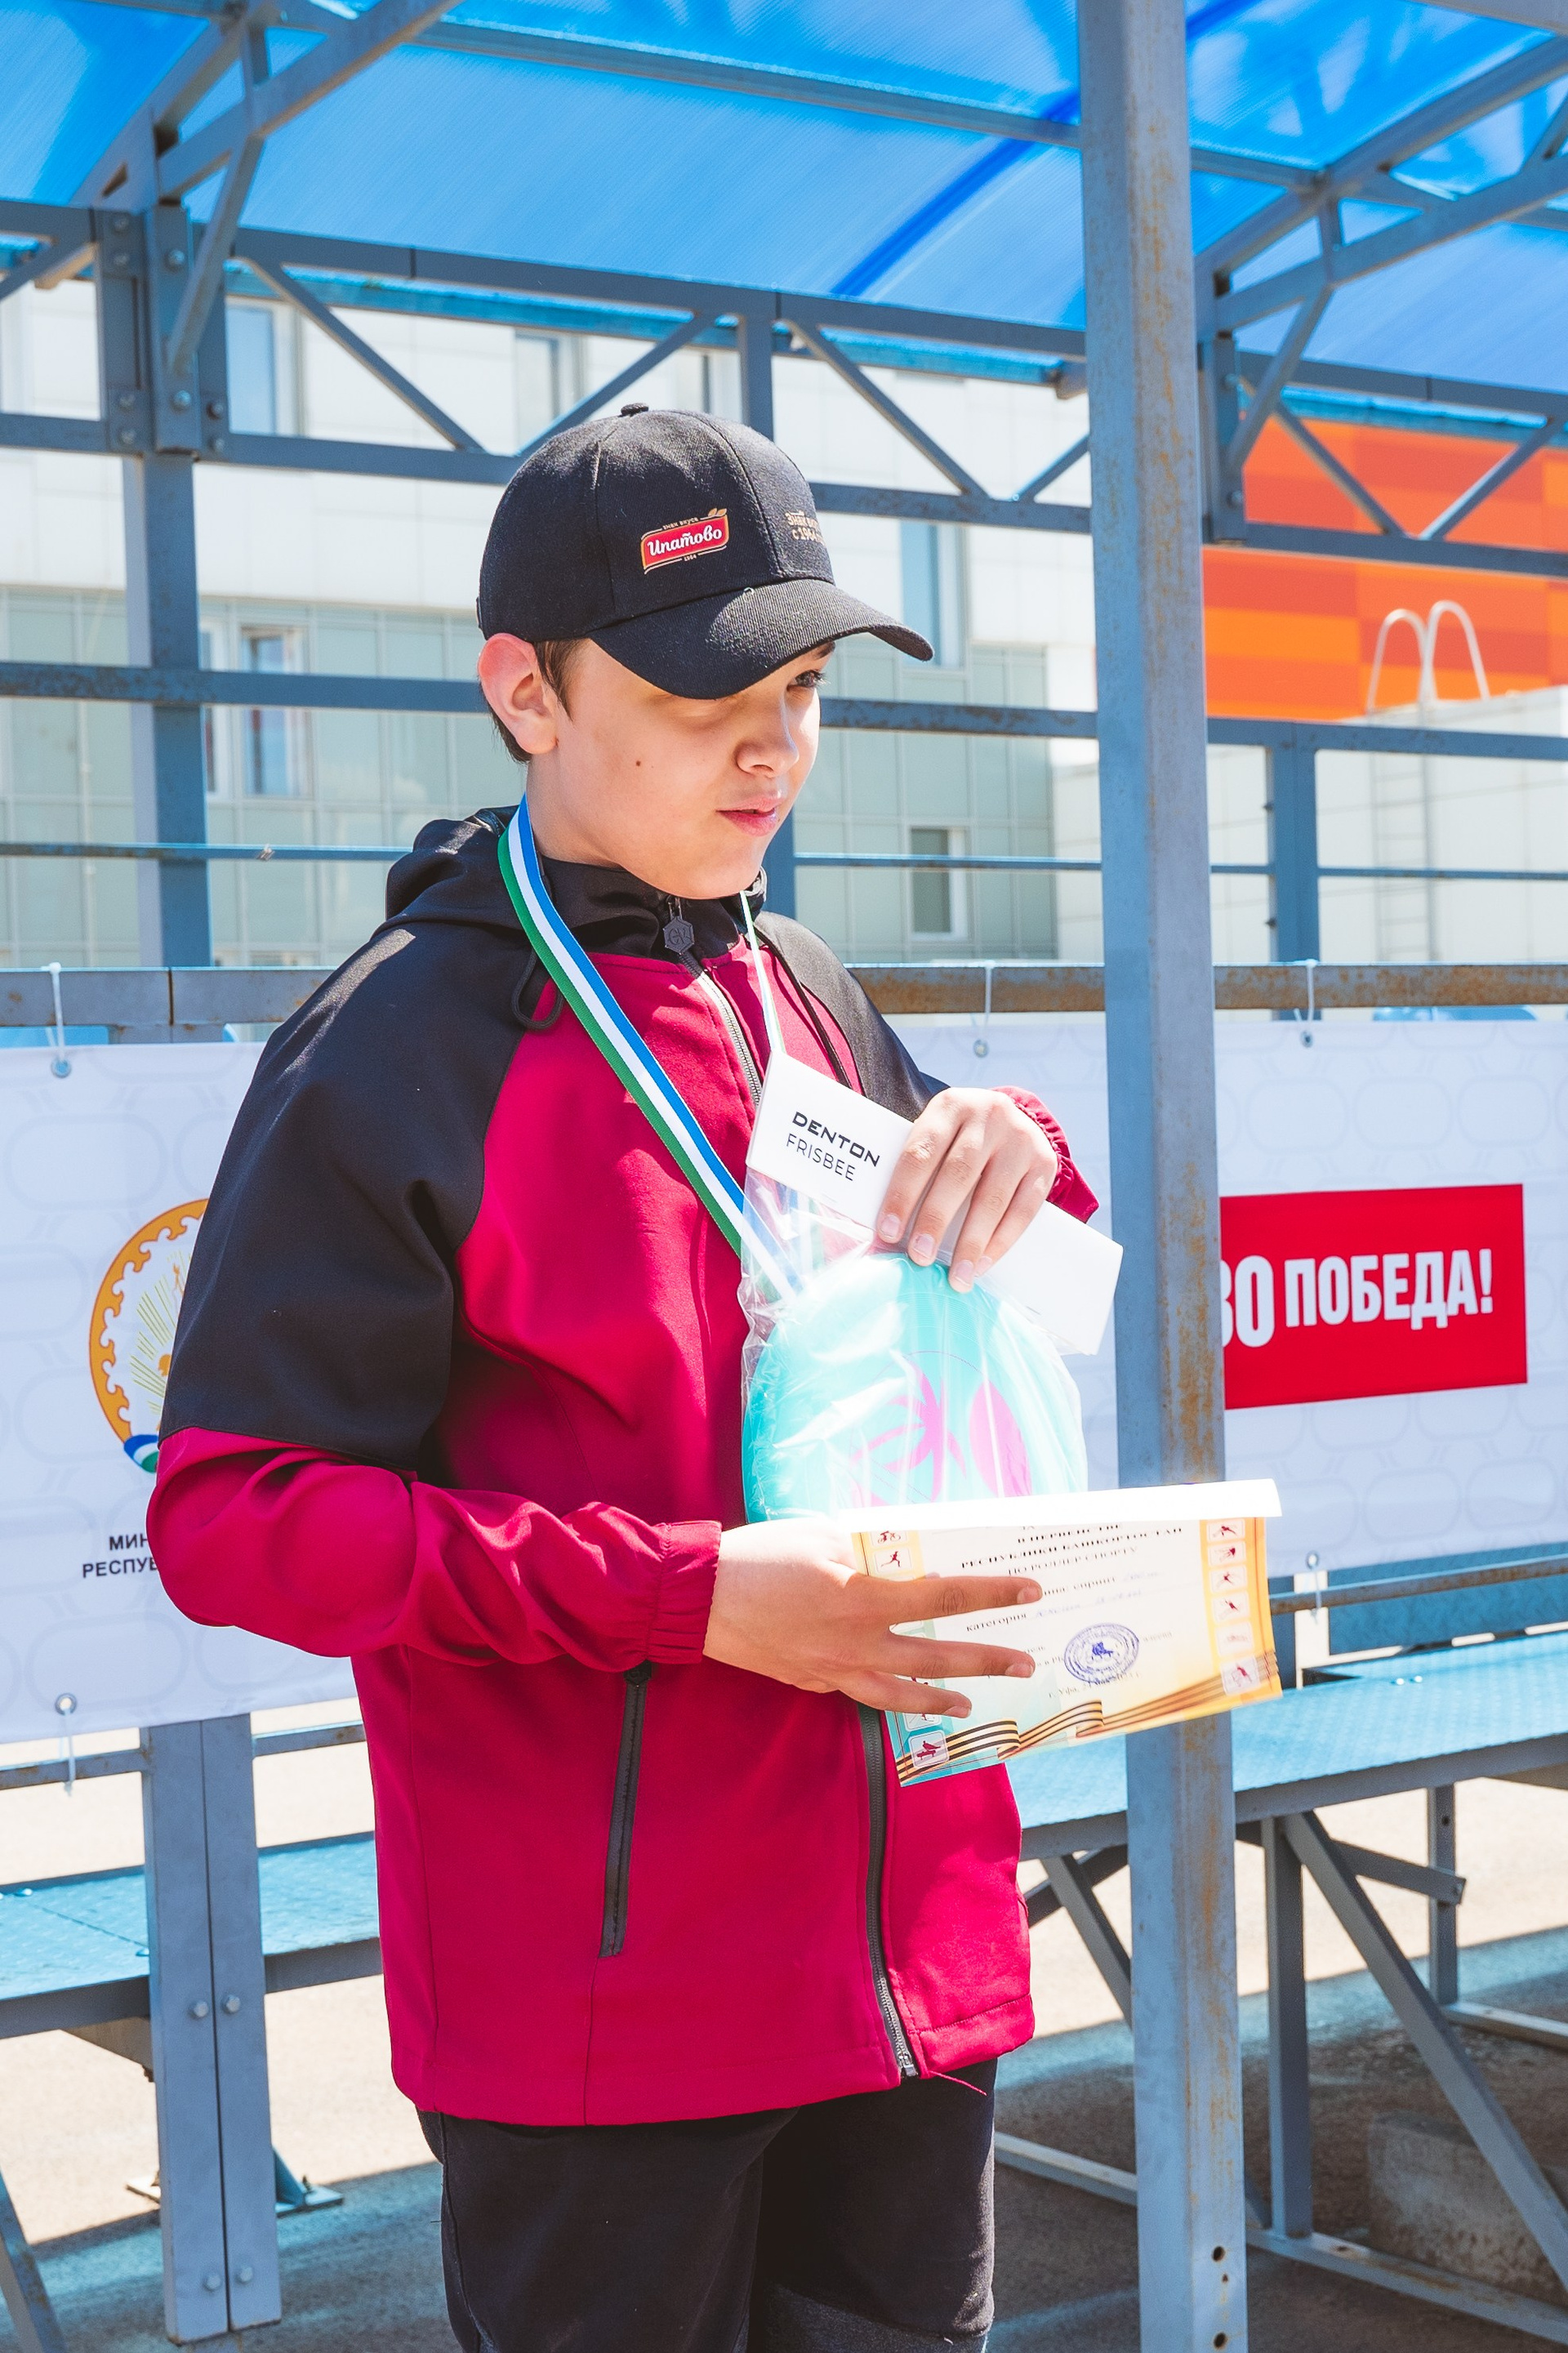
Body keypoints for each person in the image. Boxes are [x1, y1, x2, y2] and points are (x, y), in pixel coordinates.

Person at [149, 408, 1099, 2353]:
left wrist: (1018, 1155)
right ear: (526, 692)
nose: (773, 748)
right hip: (606, 2026)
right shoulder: (392, 1048)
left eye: (805, 688)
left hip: (911, 1967)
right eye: (701, 692)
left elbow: (977, 1279)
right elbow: (236, 1519)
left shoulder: (806, 984)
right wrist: (694, 1596)